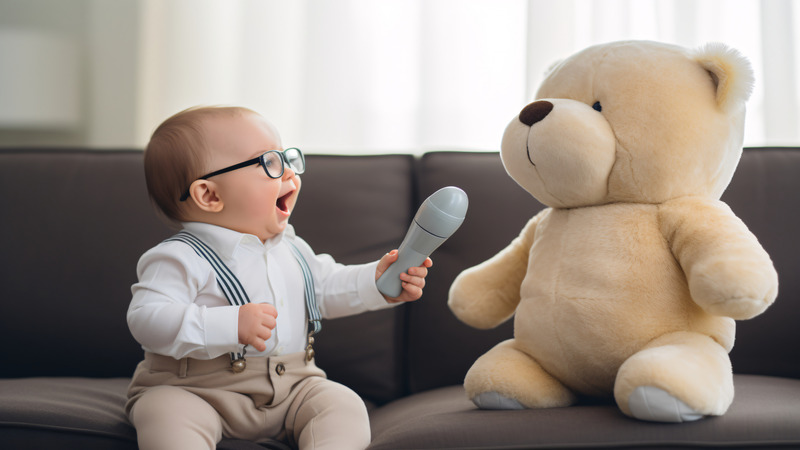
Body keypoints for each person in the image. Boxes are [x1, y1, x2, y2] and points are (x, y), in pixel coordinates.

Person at [126, 106, 432, 450]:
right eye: (269, 162)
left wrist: (376, 283)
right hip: (196, 390)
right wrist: (229, 324)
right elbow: (146, 319)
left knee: (342, 404)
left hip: (293, 387)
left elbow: (325, 287)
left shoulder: (291, 247)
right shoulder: (179, 258)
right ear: (210, 195)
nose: (288, 171)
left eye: (286, 157)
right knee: (165, 412)